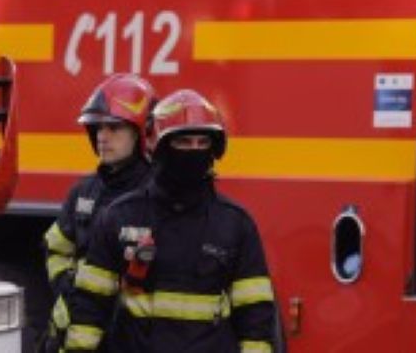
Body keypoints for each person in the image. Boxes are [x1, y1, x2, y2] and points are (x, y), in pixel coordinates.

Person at [64, 89, 276, 352]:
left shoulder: (235, 224)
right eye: (183, 142)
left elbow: (256, 321)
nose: (194, 151)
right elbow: (89, 310)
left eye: (202, 143)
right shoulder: (121, 216)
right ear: (160, 148)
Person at [40, 73, 156, 352]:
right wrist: (67, 286)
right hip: (77, 332)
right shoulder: (84, 192)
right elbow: (56, 247)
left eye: (114, 127)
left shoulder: (157, 196)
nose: (103, 137)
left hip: (132, 338)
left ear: (142, 132)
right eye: (97, 128)